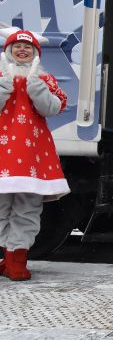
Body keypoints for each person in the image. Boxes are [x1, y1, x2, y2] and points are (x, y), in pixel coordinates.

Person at [0, 29, 69, 281]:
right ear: (8, 50)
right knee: (1, 207)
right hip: (3, 152)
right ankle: (6, 259)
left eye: (27, 47)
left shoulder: (43, 78)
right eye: (16, 46)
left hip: (32, 154)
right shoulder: (0, 75)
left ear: (35, 53)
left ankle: (16, 260)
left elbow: (53, 108)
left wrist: (36, 88)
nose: (22, 50)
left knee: (27, 207)